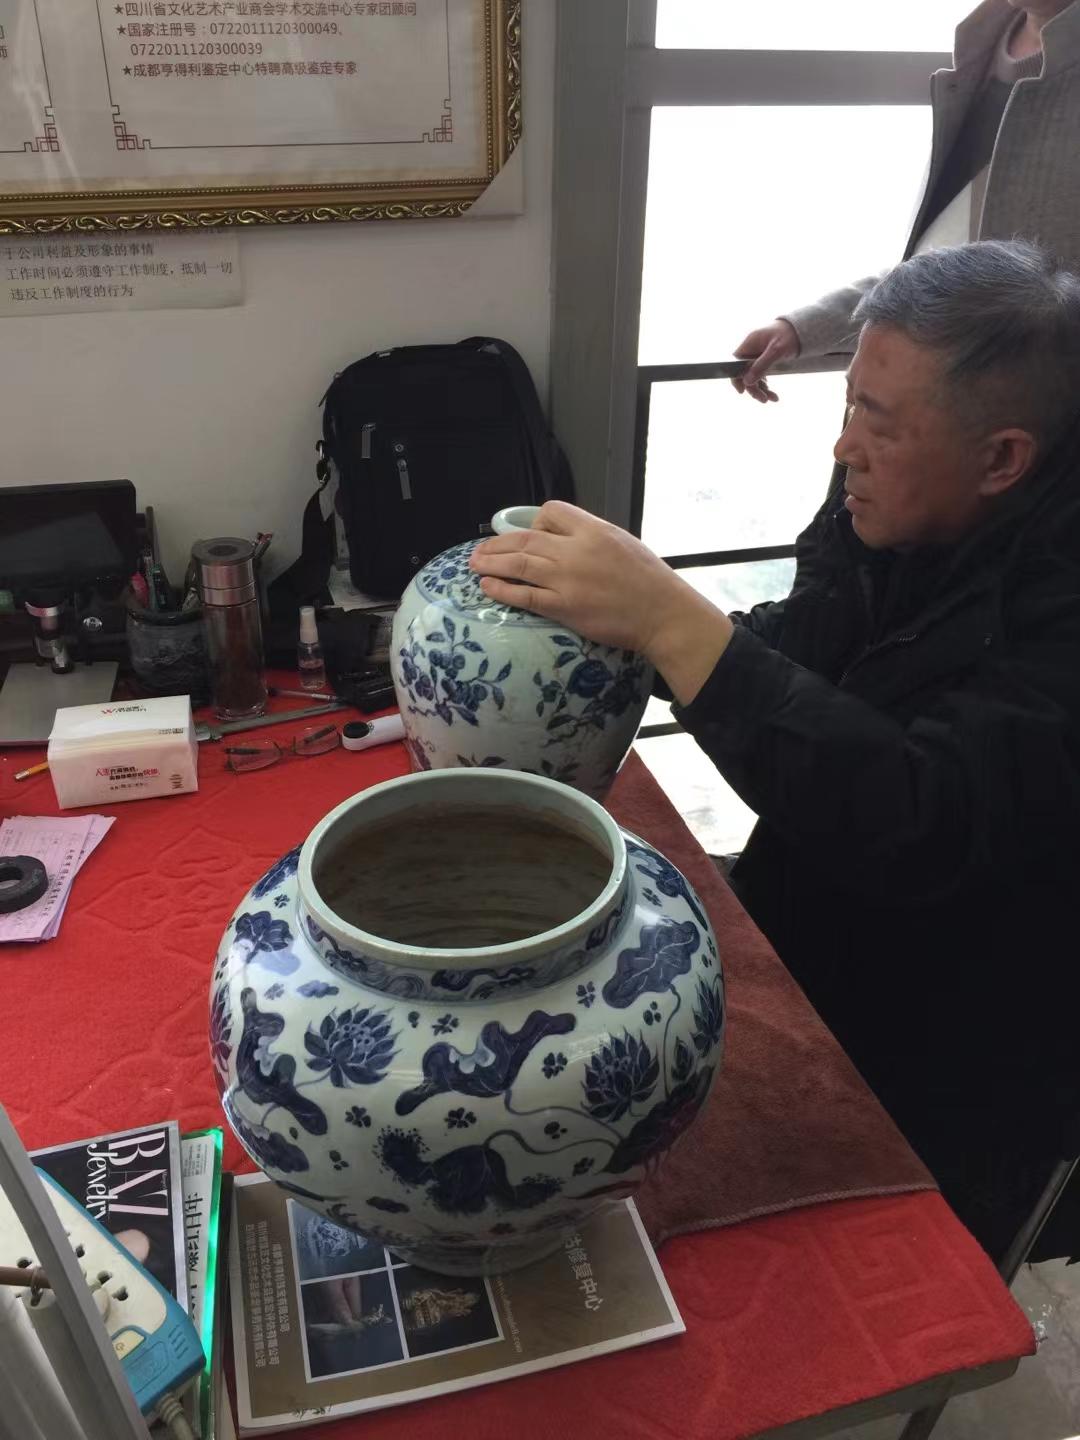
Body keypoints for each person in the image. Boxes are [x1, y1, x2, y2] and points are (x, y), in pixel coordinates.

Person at [471, 240, 1080, 1263]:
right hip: (817, 939)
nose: (844, 447)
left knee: (873, 1283)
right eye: (847, 403)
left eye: (877, 422)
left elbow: (919, 818)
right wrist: (625, 637)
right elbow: (814, 642)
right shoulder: (895, 500)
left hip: (971, 1049)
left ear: (1002, 459)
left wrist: (673, 621)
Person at [733, 0, 1080, 404]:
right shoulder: (979, 49)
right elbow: (944, 263)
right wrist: (804, 329)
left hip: (1012, 410)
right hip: (928, 398)